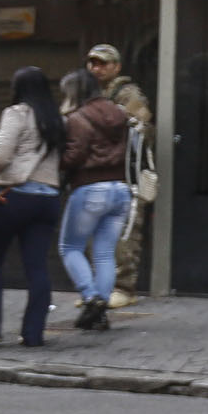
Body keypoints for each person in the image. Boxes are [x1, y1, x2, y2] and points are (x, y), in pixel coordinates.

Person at [0, 65, 68, 349]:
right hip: (47, 199)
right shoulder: (58, 120)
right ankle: (33, 335)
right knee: (37, 267)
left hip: (13, 197)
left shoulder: (17, 113)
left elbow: (1, 156)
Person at [57, 68, 135, 333]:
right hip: (120, 190)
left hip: (90, 188)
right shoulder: (119, 113)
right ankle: (100, 309)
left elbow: (75, 156)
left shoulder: (78, 117)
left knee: (70, 247)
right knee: (104, 253)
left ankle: (90, 296)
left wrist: (57, 162)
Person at [85, 44, 154, 309]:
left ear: (117, 67)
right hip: (96, 172)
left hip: (125, 174)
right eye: (93, 63)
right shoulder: (88, 93)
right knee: (95, 233)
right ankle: (101, 288)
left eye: (103, 63)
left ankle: (124, 287)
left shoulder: (129, 94)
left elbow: (144, 127)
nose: (97, 68)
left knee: (124, 234)